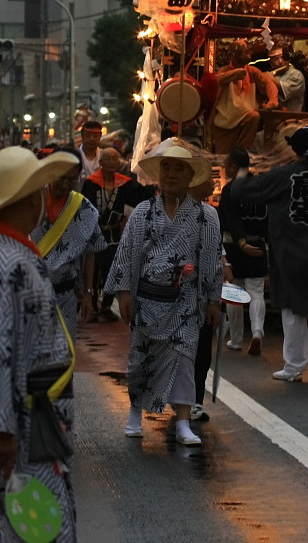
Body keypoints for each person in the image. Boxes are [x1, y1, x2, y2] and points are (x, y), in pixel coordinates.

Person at [0, 147, 81, 541]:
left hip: (29, 419)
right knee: (43, 532)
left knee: (16, 529)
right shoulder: (4, 262)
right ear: (29, 198)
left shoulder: (1, 254)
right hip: (21, 425)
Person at [105, 144, 223, 445]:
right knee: (141, 360)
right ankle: (134, 414)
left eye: (179, 168)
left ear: (190, 175)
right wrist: (125, 293)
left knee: (184, 360)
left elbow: (210, 259)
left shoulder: (206, 216)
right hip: (147, 299)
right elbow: (127, 254)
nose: (171, 174)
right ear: (159, 174)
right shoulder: (144, 212)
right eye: (167, 167)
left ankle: (183, 421)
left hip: (186, 302)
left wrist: (213, 299)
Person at [232, 127, 308, 382]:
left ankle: (294, 366)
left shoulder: (281, 175)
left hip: (288, 253)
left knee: (293, 310)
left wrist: (241, 170)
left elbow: (242, 191)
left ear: (294, 149)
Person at [32, 148, 106, 338]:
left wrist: (89, 293)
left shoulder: (83, 208)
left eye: (71, 179)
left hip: (65, 295)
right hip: (29, 294)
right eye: (61, 177)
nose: (65, 184)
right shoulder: (30, 201)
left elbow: (91, 252)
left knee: (63, 356)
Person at [79, 146, 149, 322]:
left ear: (120, 162)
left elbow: (142, 194)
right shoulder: (90, 182)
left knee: (114, 268)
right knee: (93, 271)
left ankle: (106, 306)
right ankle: (93, 306)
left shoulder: (124, 182)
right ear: (101, 163)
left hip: (115, 234)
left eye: (115, 159)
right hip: (96, 232)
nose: (111, 162)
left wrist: (157, 189)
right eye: (108, 159)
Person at [219, 147, 269, 355]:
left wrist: (240, 242)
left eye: (225, 164)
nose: (223, 168)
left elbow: (229, 219)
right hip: (258, 244)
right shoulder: (262, 187)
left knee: (234, 292)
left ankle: (237, 339)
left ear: (232, 166)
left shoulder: (231, 189)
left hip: (235, 244)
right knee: (256, 292)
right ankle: (257, 332)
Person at [207, 42, 276, 153]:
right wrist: (233, 74)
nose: (248, 55)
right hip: (225, 126)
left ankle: (240, 151)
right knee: (223, 160)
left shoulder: (252, 71)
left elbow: (269, 84)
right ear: (232, 55)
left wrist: (273, 100)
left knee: (254, 116)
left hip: (245, 120)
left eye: (248, 52)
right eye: (243, 53)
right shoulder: (225, 71)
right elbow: (218, 79)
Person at [267, 43, 307, 112]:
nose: (280, 61)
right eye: (276, 59)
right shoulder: (273, 75)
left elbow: (283, 89)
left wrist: (270, 78)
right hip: (273, 117)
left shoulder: (296, 75)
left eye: (282, 57)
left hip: (291, 118)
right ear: (271, 63)